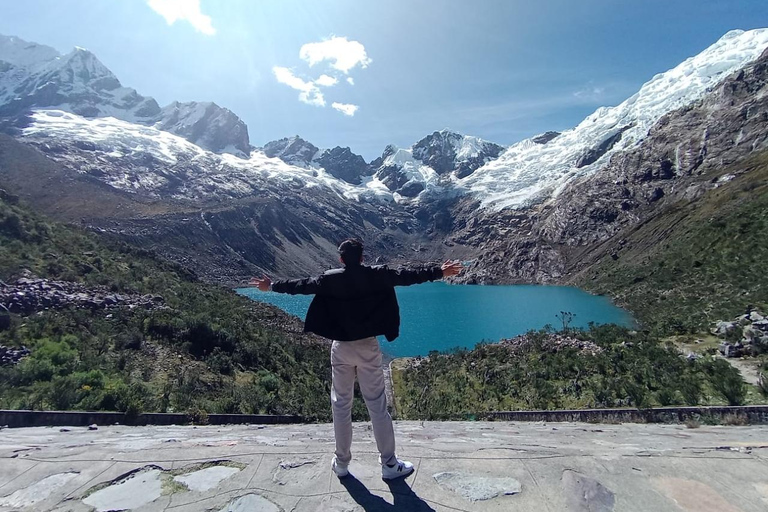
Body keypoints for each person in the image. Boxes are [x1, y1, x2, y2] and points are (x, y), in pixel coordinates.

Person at [249, 239, 463, 480]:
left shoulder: (330, 279)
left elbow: (301, 285)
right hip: (367, 346)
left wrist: (272, 285)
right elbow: (407, 276)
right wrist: (439, 271)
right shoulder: (378, 275)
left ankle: (341, 463)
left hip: (340, 347)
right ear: (362, 257)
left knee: (341, 405)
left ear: (341, 259)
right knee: (377, 405)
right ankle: (389, 465)